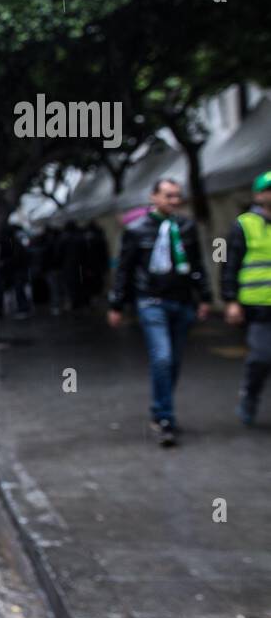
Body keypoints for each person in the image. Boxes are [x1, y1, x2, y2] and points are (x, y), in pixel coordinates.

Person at [108, 178, 211, 446]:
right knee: (162, 358)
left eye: (177, 196)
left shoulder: (187, 228)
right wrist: (116, 304)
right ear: (153, 197)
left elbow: (197, 264)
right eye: (168, 195)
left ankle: (160, 407)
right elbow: (124, 270)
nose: (173, 200)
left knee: (173, 361)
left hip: (182, 302)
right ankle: (165, 418)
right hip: (151, 303)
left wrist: (205, 297)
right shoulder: (136, 230)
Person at [222, 171, 271, 426]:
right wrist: (231, 300)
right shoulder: (244, 224)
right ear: (259, 195)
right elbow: (229, 265)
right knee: (262, 356)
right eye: (269, 189)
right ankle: (250, 395)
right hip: (257, 305)